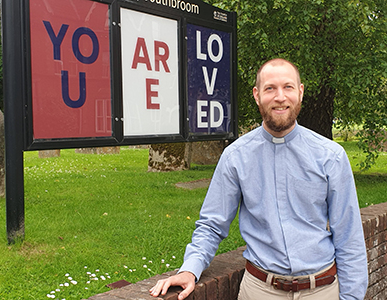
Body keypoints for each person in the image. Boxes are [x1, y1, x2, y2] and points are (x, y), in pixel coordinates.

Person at [149, 58, 368, 300]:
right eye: (270, 88)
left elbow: (349, 236)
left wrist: (352, 297)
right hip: (260, 291)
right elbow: (212, 223)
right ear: (256, 95)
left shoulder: (331, 156)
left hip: (322, 291)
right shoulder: (235, 156)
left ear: (300, 92)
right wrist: (190, 269)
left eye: (288, 87)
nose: (280, 97)